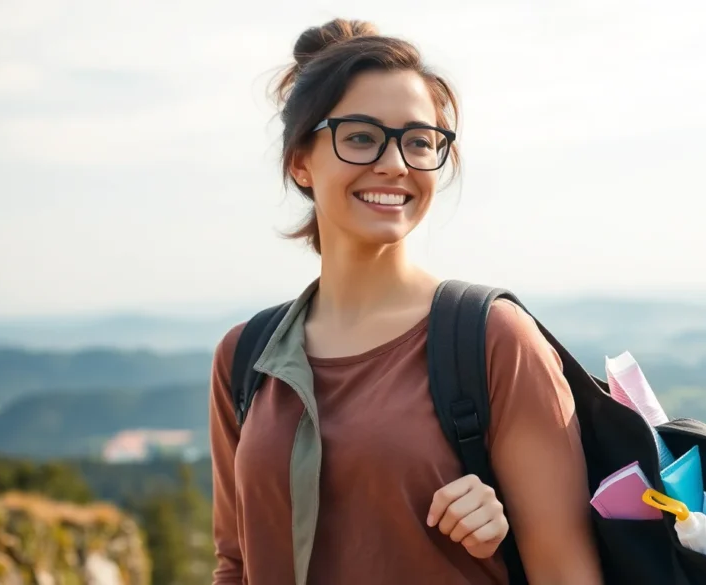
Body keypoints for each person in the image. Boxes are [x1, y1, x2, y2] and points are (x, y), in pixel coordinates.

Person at [209, 18, 604, 585]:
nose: (396, 162)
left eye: (420, 141)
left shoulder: (494, 340)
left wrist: (506, 529)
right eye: (362, 136)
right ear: (301, 161)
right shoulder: (245, 357)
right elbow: (236, 562)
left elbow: (567, 575)